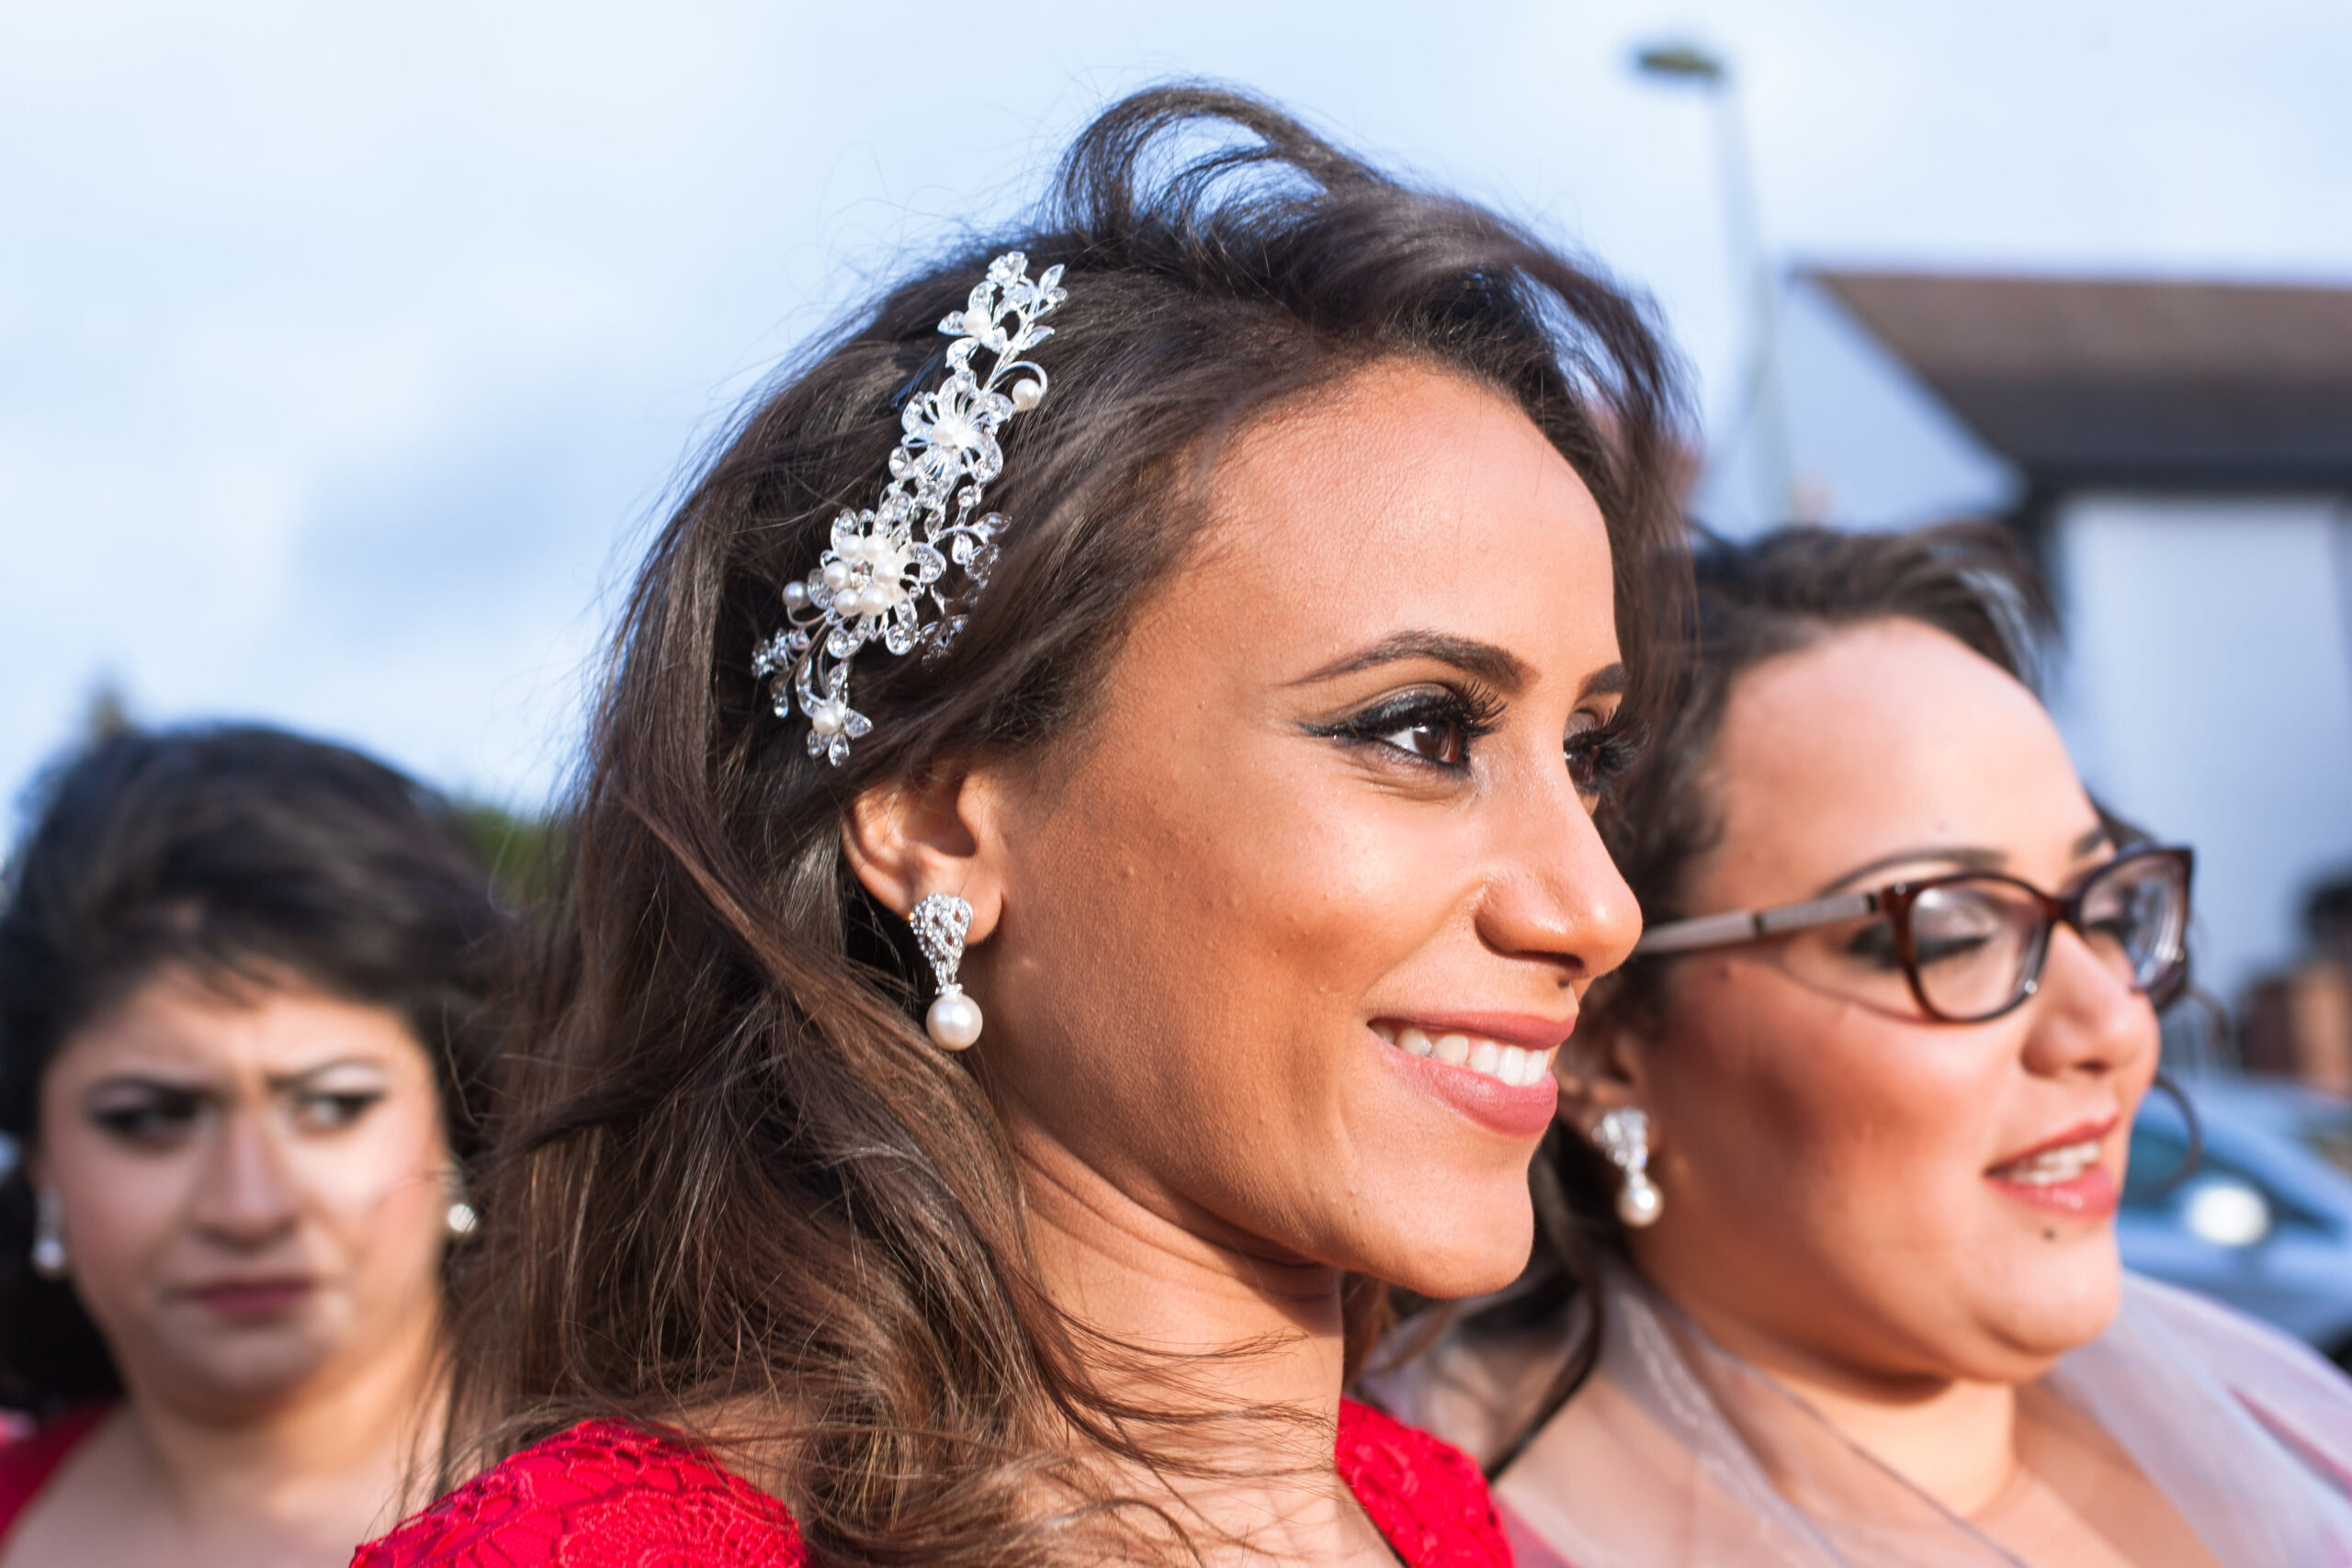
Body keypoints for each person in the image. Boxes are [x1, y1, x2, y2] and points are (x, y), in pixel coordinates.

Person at [355, 85, 1686, 1568]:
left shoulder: (1438, 1519)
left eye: (1588, 752)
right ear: (934, 814)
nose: (1596, 905)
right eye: (1418, 729)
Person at [1377, 524, 2352, 1566]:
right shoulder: (1399, 1533)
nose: (2111, 1023)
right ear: (1604, 1047)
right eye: (1953, 936)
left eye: (2104, 912)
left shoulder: (2285, 1425)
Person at [0, 725, 505, 1565]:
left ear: (458, 1120)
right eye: (150, 1120)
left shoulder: (685, 1516)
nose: (250, 1206)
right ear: (42, 1164)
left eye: (332, 1105)